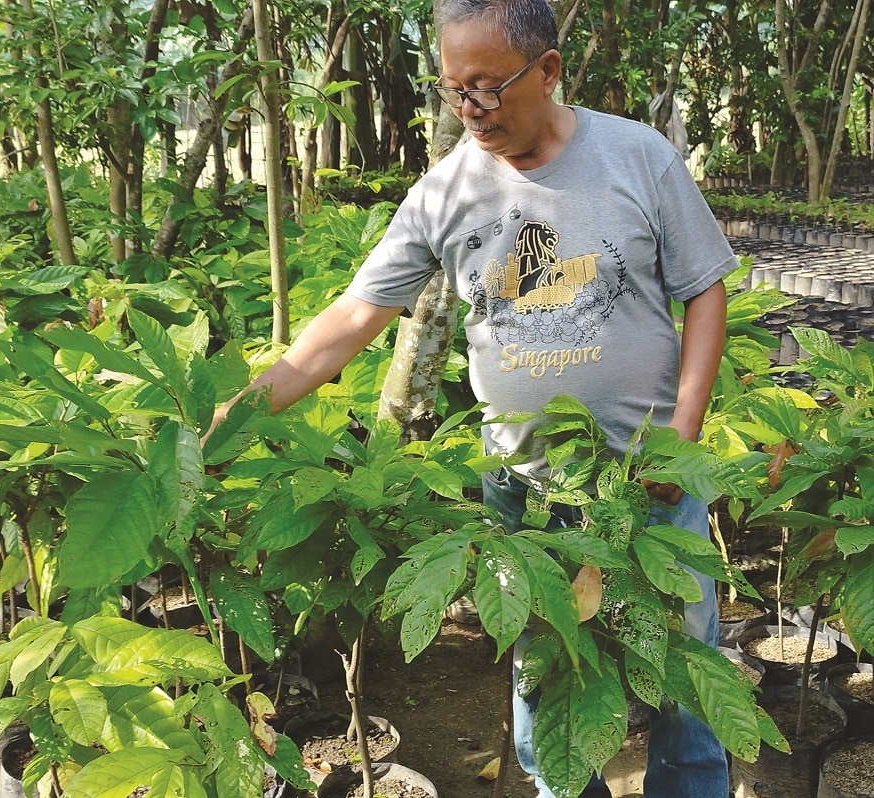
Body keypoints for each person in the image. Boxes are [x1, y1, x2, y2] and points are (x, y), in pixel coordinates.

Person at [205, 0, 737, 794]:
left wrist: (683, 429)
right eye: (456, 90)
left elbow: (706, 291)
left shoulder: (638, 158)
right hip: (524, 500)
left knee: (689, 700)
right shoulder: (444, 192)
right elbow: (350, 320)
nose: (471, 110)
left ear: (549, 70)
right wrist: (227, 419)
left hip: (647, 483)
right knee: (546, 708)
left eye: (488, 87)